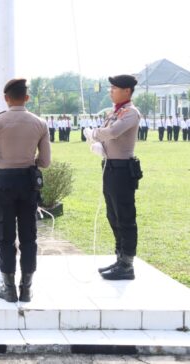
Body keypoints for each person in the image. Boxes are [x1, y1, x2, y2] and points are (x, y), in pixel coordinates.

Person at [0, 78, 51, 303]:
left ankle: (9, 287)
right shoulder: (40, 123)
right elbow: (45, 161)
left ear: (6, 98)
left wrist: (5, 160)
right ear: (27, 98)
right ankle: (27, 288)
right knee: (29, 234)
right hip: (28, 180)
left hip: (5, 180)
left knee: (5, 233)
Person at [84, 74, 141, 281]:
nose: (111, 91)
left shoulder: (130, 113)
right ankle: (120, 258)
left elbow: (114, 132)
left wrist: (94, 134)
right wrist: (102, 147)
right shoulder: (114, 112)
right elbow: (109, 134)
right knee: (113, 214)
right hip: (110, 167)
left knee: (125, 215)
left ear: (127, 91)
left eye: (114, 88)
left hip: (123, 169)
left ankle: (127, 264)